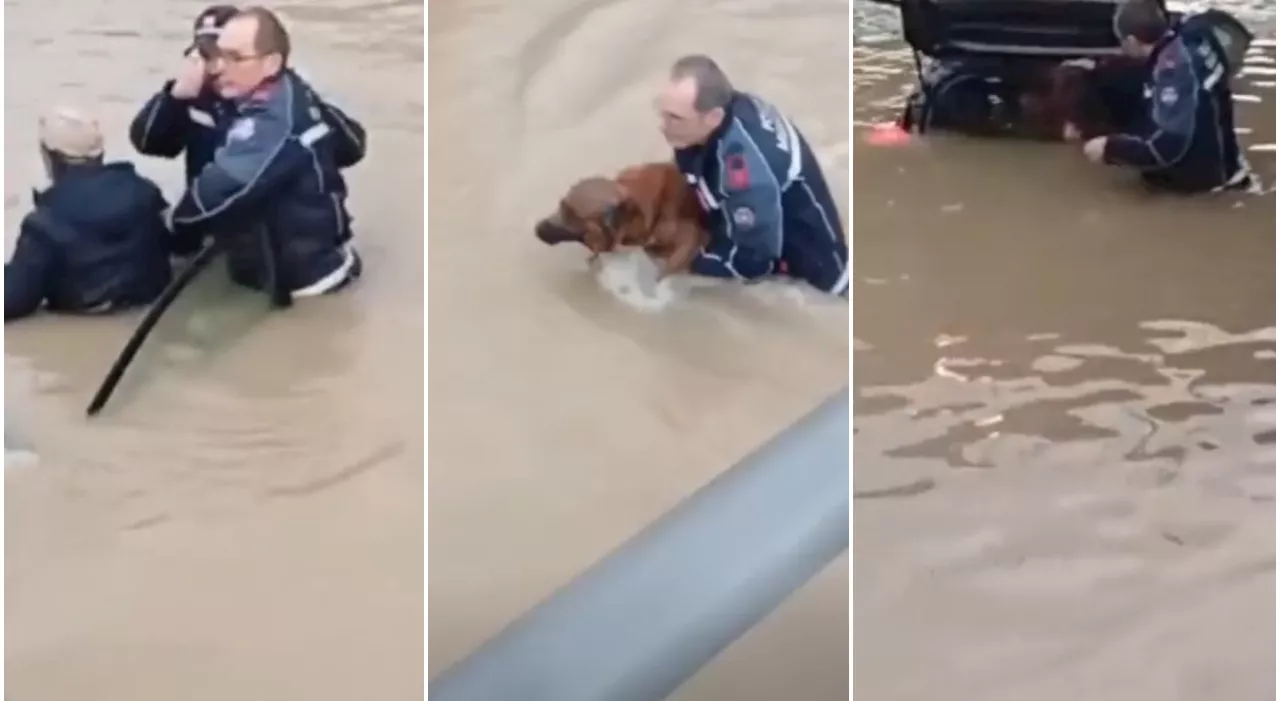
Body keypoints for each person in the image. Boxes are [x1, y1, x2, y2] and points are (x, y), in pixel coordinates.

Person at [168, 6, 361, 298]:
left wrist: (177, 232)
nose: (219, 67)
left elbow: (211, 194)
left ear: (271, 63)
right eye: (219, 55)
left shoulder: (271, 124)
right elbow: (352, 145)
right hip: (311, 256)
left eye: (236, 58)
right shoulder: (291, 89)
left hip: (304, 283)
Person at [657, 55, 849, 297]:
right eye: (662, 112)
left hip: (813, 276)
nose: (663, 125)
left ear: (713, 117)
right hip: (758, 219)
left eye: (675, 118)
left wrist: (683, 268)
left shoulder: (747, 177)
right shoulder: (723, 110)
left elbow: (752, 262)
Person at [129, 5, 367, 184]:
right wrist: (174, 97)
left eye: (232, 56)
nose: (221, 66)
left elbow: (352, 149)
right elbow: (149, 144)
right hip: (212, 216)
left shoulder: (284, 98)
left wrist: (300, 98)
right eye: (209, 55)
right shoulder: (194, 99)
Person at [5, 108, 173, 321]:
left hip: (83, 324)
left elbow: (13, 300)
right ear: (100, 153)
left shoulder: (44, 223)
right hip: (149, 317)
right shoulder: (146, 193)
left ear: (49, 157)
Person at [1080, 0, 1250, 192]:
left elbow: (1167, 147)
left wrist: (1110, 148)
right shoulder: (1194, 33)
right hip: (1227, 163)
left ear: (1132, 41)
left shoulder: (1173, 72)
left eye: (1122, 43)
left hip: (1206, 188)